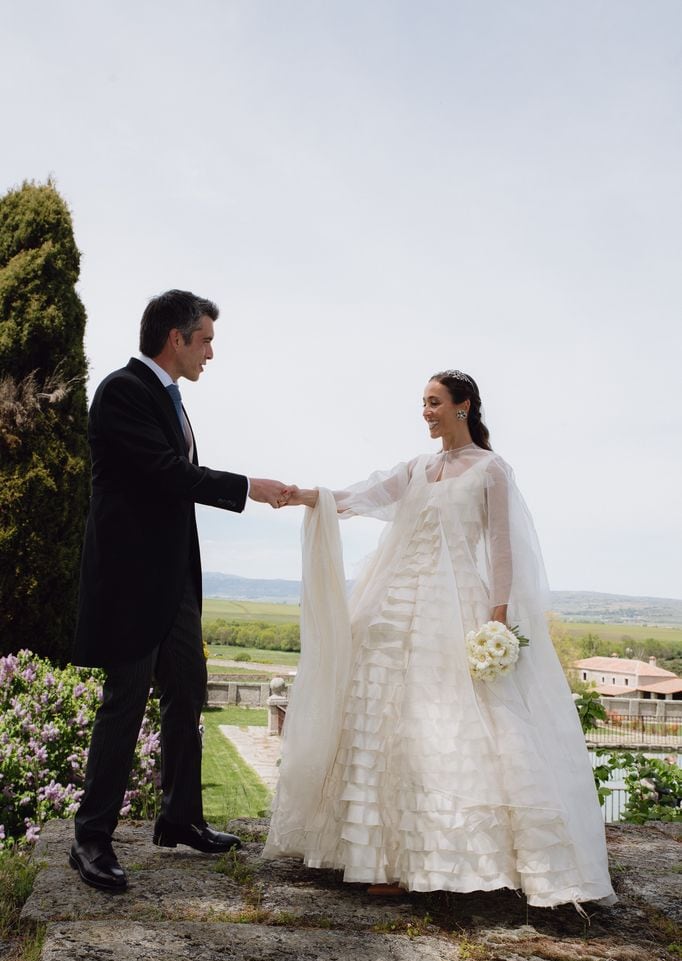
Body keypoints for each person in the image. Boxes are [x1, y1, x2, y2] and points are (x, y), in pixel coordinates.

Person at [263, 370, 616, 910]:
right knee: (375, 712)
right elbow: (359, 496)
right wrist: (302, 496)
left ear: (463, 406)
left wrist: (497, 618)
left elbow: (502, 549)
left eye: (434, 402)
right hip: (395, 598)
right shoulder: (418, 468)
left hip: (457, 609)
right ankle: (376, 860)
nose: (425, 411)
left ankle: (445, 860)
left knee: (456, 725)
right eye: (422, 403)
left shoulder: (492, 470)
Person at [70, 289, 290, 892]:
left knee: (187, 695)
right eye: (207, 340)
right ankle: (91, 839)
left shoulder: (169, 401)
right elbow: (169, 476)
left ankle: (181, 818)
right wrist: (248, 486)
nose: (211, 354)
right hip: (129, 587)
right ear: (177, 338)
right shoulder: (122, 391)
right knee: (124, 704)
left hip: (174, 588)